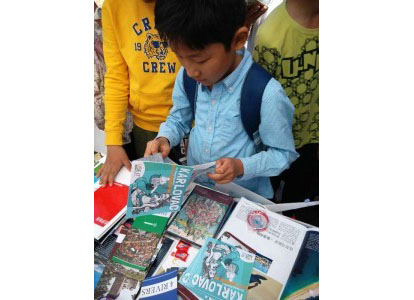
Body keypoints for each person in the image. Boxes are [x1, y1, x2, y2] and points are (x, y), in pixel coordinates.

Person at [145, 0, 298, 199]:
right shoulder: (188, 76)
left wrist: (241, 166)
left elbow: (283, 154)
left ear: (238, 39)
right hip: (198, 190)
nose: (191, 70)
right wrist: (164, 137)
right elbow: (178, 118)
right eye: (180, 57)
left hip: (244, 198)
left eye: (200, 60)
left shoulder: (267, 94)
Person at [97, 0, 181, 186]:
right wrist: (113, 142)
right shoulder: (114, 6)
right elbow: (116, 78)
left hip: (193, 122)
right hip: (145, 126)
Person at [253, 0, 319, 225]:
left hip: (313, 140)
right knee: (267, 206)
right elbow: (257, 96)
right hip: (276, 142)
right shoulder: (271, 35)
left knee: (297, 203)